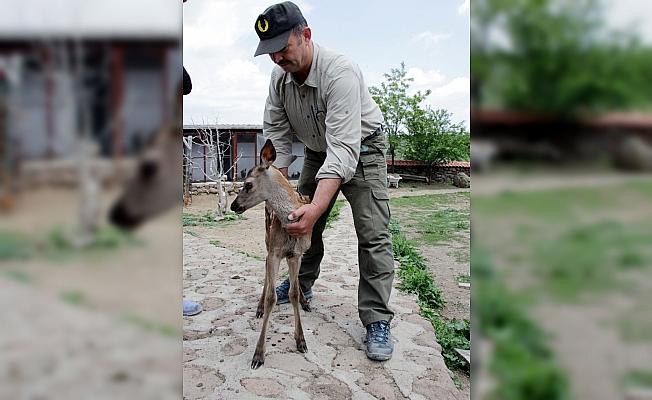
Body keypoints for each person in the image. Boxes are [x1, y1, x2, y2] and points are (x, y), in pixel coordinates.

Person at [253, 1, 395, 361]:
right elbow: (277, 140)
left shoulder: (340, 72)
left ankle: (377, 318)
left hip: (362, 148)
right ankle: (301, 284)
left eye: (283, 48)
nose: (277, 59)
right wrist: (276, 193)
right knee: (297, 221)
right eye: (269, 52)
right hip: (318, 150)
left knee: (372, 231)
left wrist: (316, 206)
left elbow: (345, 148)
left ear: (306, 35)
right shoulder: (278, 79)